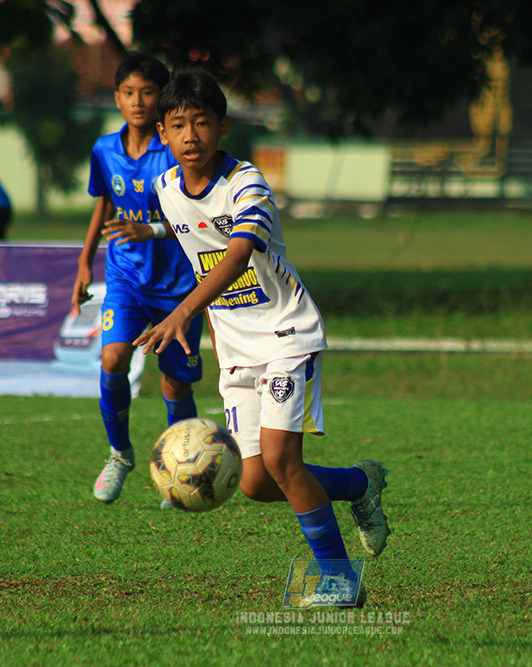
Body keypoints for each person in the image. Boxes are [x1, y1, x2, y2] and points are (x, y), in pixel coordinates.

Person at [134, 68, 390, 606]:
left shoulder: (247, 182)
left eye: (202, 123)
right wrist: (153, 240)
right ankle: (358, 485)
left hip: (286, 333)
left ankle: (342, 584)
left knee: (281, 459)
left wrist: (182, 312)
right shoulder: (164, 188)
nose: (190, 136)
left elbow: (237, 251)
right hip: (236, 351)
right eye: (178, 125)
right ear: (163, 134)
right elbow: (191, 237)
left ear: (223, 127)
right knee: (254, 482)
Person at [72, 54, 203, 504]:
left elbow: (199, 216)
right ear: (117, 98)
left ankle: (178, 470)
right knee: (112, 361)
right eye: (129, 93)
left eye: (148, 92)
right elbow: (104, 204)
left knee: (175, 383)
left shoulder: (177, 150)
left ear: (162, 99)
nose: (138, 101)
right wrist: (84, 261)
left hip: (179, 284)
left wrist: (154, 229)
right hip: (126, 274)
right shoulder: (104, 149)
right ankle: (120, 455)